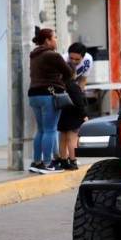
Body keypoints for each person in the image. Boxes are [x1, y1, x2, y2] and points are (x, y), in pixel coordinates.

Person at [28, 27, 72, 173]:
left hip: (34, 95)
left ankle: (37, 162)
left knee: (41, 130)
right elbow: (69, 73)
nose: (56, 40)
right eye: (55, 37)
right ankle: (48, 164)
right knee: (50, 130)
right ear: (47, 40)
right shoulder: (53, 55)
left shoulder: (34, 55)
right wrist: (61, 82)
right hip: (49, 95)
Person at [55, 43, 89, 170]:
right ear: (73, 74)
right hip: (74, 116)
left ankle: (63, 160)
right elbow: (79, 103)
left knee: (63, 137)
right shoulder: (74, 86)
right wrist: (84, 115)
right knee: (72, 139)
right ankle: (73, 160)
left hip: (62, 114)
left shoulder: (60, 85)